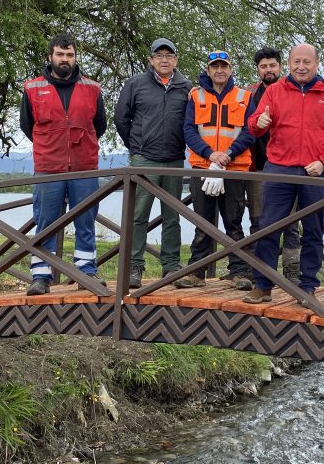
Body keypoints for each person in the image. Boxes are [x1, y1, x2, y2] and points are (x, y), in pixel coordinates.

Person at [243, 43, 324, 303]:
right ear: (289, 64)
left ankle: (308, 286)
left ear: (317, 64)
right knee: (268, 227)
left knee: (313, 230)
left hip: (315, 172)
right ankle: (263, 285)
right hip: (279, 168)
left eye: (307, 62)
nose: (301, 67)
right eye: (296, 62)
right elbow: (254, 125)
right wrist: (259, 122)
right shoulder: (275, 91)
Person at [20, 32, 107, 295]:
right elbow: (27, 125)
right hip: (48, 167)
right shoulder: (32, 88)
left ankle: (86, 271)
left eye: (69, 54)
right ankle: (41, 276)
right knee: (45, 221)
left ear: (75, 57)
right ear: (50, 57)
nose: (65, 59)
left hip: (84, 167)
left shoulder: (92, 88)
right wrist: (53, 144)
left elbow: (99, 125)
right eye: (60, 54)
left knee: (86, 220)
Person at [114, 38, 192, 288]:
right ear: (151, 60)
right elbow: (121, 119)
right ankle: (134, 266)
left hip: (174, 159)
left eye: (169, 55)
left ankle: (171, 266)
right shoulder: (135, 84)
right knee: (138, 215)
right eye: (159, 55)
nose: (164, 60)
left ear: (176, 60)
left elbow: (191, 122)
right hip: (144, 160)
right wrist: (136, 147)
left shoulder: (186, 87)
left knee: (172, 216)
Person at [178, 50, 256, 290]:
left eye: (224, 66)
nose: (219, 70)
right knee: (203, 222)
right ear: (208, 70)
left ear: (230, 69)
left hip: (234, 169)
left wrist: (227, 155)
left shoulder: (245, 97)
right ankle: (196, 272)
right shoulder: (195, 96)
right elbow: (189, 130)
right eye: (215, 67)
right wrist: (210, 154)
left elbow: (250, 131)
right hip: (203, 166)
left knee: (234, 222)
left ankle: (239, 271)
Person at [246, 47, 301, 283]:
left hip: (287, 167)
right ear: (258, 70)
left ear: (280, 66)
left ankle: (291, 270)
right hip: (258, 167)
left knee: (291, 222)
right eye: (263, 66)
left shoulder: (294, 91)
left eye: (272, 65)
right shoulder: (249, 94)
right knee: (258, 221)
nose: (268, 70)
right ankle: (257, 270)